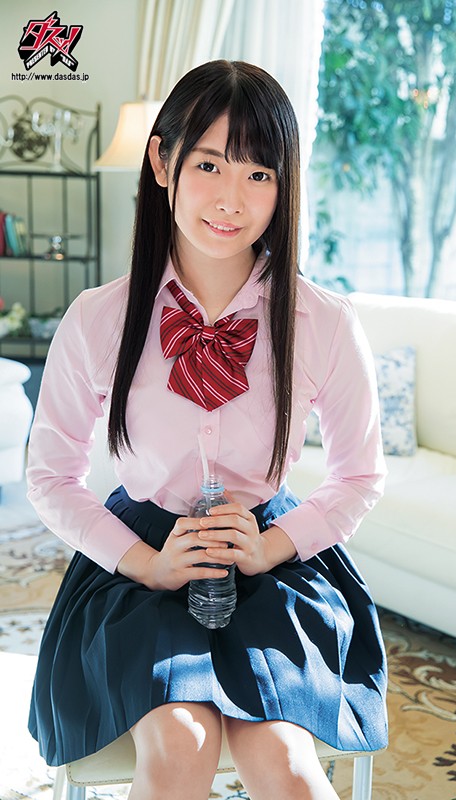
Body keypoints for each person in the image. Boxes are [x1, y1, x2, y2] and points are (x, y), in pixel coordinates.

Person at [26, 60, 388, 800]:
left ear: (286, 185)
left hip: (271, 562)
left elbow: (359, 476)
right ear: (163, 162)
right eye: (209, 165)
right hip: (140, 569)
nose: (231, 199)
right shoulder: (98, 318)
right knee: (179, 745)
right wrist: (146, 564)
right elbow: (50, 478)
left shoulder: (324, 322)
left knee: (284, 761)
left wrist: (271, 547)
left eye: (259, 174)